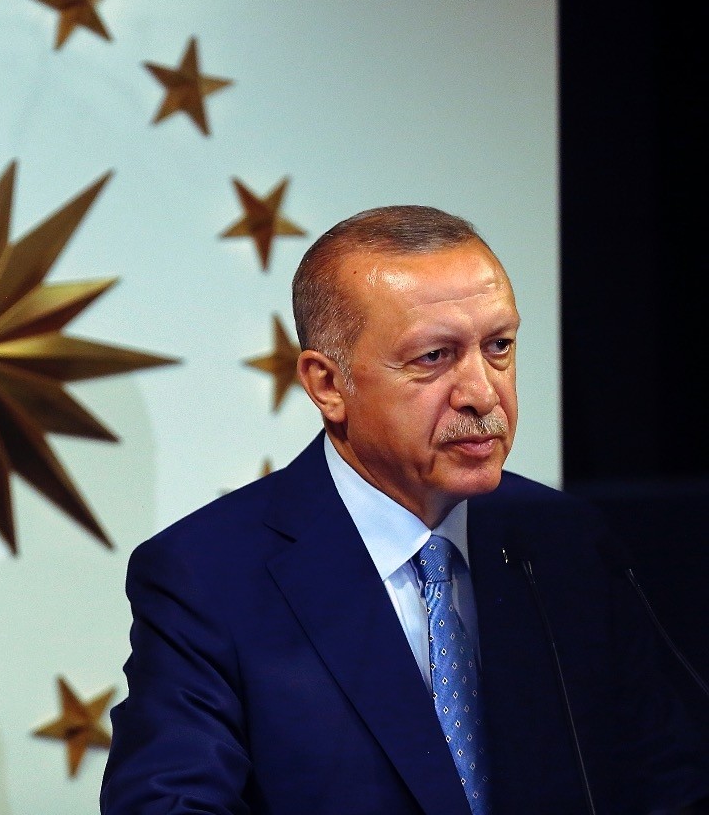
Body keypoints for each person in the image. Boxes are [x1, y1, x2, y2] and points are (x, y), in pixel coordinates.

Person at [100, 205, 709, 815]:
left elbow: (667, 782)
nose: (482, 393)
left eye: (498, 346)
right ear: (327, 385)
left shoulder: (566, 543)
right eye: (434, 357)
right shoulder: (207, 576)